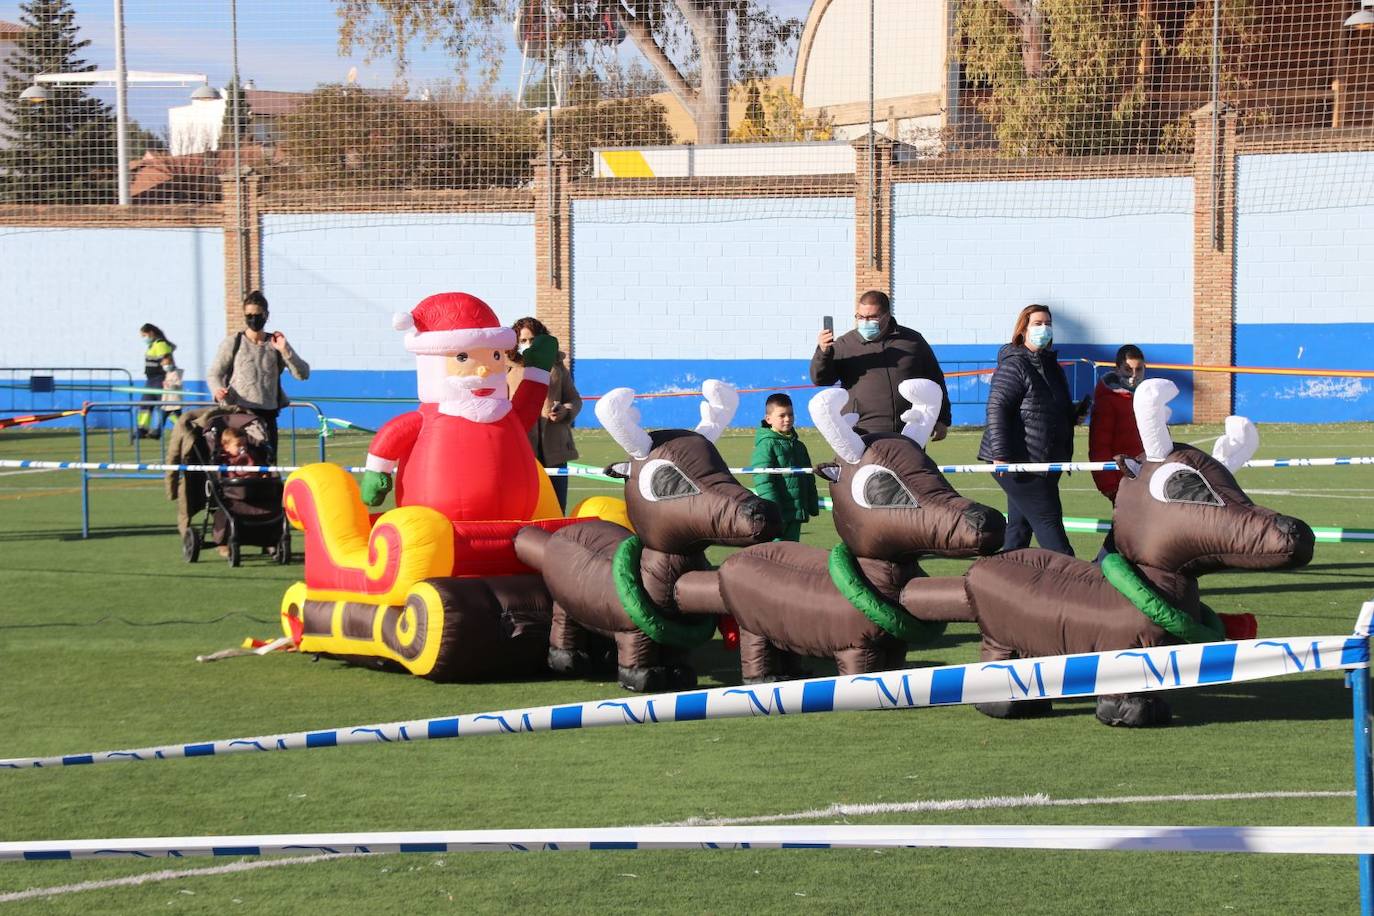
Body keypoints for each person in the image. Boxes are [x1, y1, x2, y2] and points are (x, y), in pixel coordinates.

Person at [977, 304, 1087, 556]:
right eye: (1037, 323)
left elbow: (1043, 408)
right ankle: (1075, 582)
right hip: (1018, 463)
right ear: (1023, 328)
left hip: (1044, 461)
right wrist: (1001, 456)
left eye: (1047, 323)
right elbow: (997, 409)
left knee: (1018, 529)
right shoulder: (1014, 364)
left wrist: (1073, 414)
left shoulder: (1052, 366)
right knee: (1049, 524)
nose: (1044, 328)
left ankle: (1001, 582)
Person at [810, 290, 951, 438]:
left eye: (872, 317)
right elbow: (821, 379)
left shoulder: (913, 341)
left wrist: (942, 419)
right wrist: (823, 351)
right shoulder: (844, 344)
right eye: (861, 317)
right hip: (861, 433)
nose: (865, 322)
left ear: (887, 316)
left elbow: (935, 380)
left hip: (909, 430)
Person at [207, 291, 309, 456]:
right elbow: (214, 373)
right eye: (249, 315)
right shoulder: (234, 342)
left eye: (258, 315)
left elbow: (303, 374)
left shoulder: (275, 344)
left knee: (267, 468)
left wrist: (285, 350)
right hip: (238, 415)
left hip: (267, 416)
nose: (253, 319)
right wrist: (217, 390)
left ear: (266, 315)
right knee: (240, 467)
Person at [506, 316, 582, 513]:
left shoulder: (557, 368)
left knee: (557, 507)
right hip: (521, 450)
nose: (528, 344)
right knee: (525, 507)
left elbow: (575, 400)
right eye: (523, 341)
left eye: (532, 340)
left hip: (555, 449)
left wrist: (565, 410)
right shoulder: (505, 369)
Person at [1089, 344, 1147, 557]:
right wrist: (1108, 484)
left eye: (1138, 369)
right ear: (1116, 369)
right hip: (1119, 478)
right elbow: (1098, 445)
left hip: (1142, 474)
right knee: (1125, 525)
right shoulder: (1108, 400)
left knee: (1134, 524)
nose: (1133, 375)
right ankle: (1100, 566)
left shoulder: (1144, 395)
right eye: (1127, 370)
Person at [749, 393, 820, 542]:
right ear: (768, 419)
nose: (787, 419)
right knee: (776, 556)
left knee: (791, 556)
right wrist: (774, 511)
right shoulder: (766, 445)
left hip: (796, 513)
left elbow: (808, 477)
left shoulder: (799, 446)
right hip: (778, 517)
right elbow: (764, 481)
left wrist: (811, 504)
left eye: (790, 414)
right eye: (782, 415)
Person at [136, 324, 177, 440]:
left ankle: (181, 425)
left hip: (160, 380)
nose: (143, 338)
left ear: (151, 333)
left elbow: (167, 361)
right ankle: (142, 429)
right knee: (145, 405)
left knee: (167, 407)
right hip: (151, 380)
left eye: (144, 335)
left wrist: (168, 378)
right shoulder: (152, 345)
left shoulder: (160, 344)